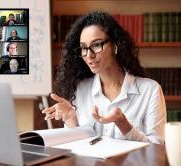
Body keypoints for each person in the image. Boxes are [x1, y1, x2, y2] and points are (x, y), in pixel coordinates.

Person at [42, 11, 166, 144]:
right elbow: (76, 151)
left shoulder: (150, 90)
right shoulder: (80, 90)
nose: (89, 55)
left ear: (115, 45)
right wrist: (71, 120)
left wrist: (125, 125)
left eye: (96, 45)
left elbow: (158, 148)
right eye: (84, 48)